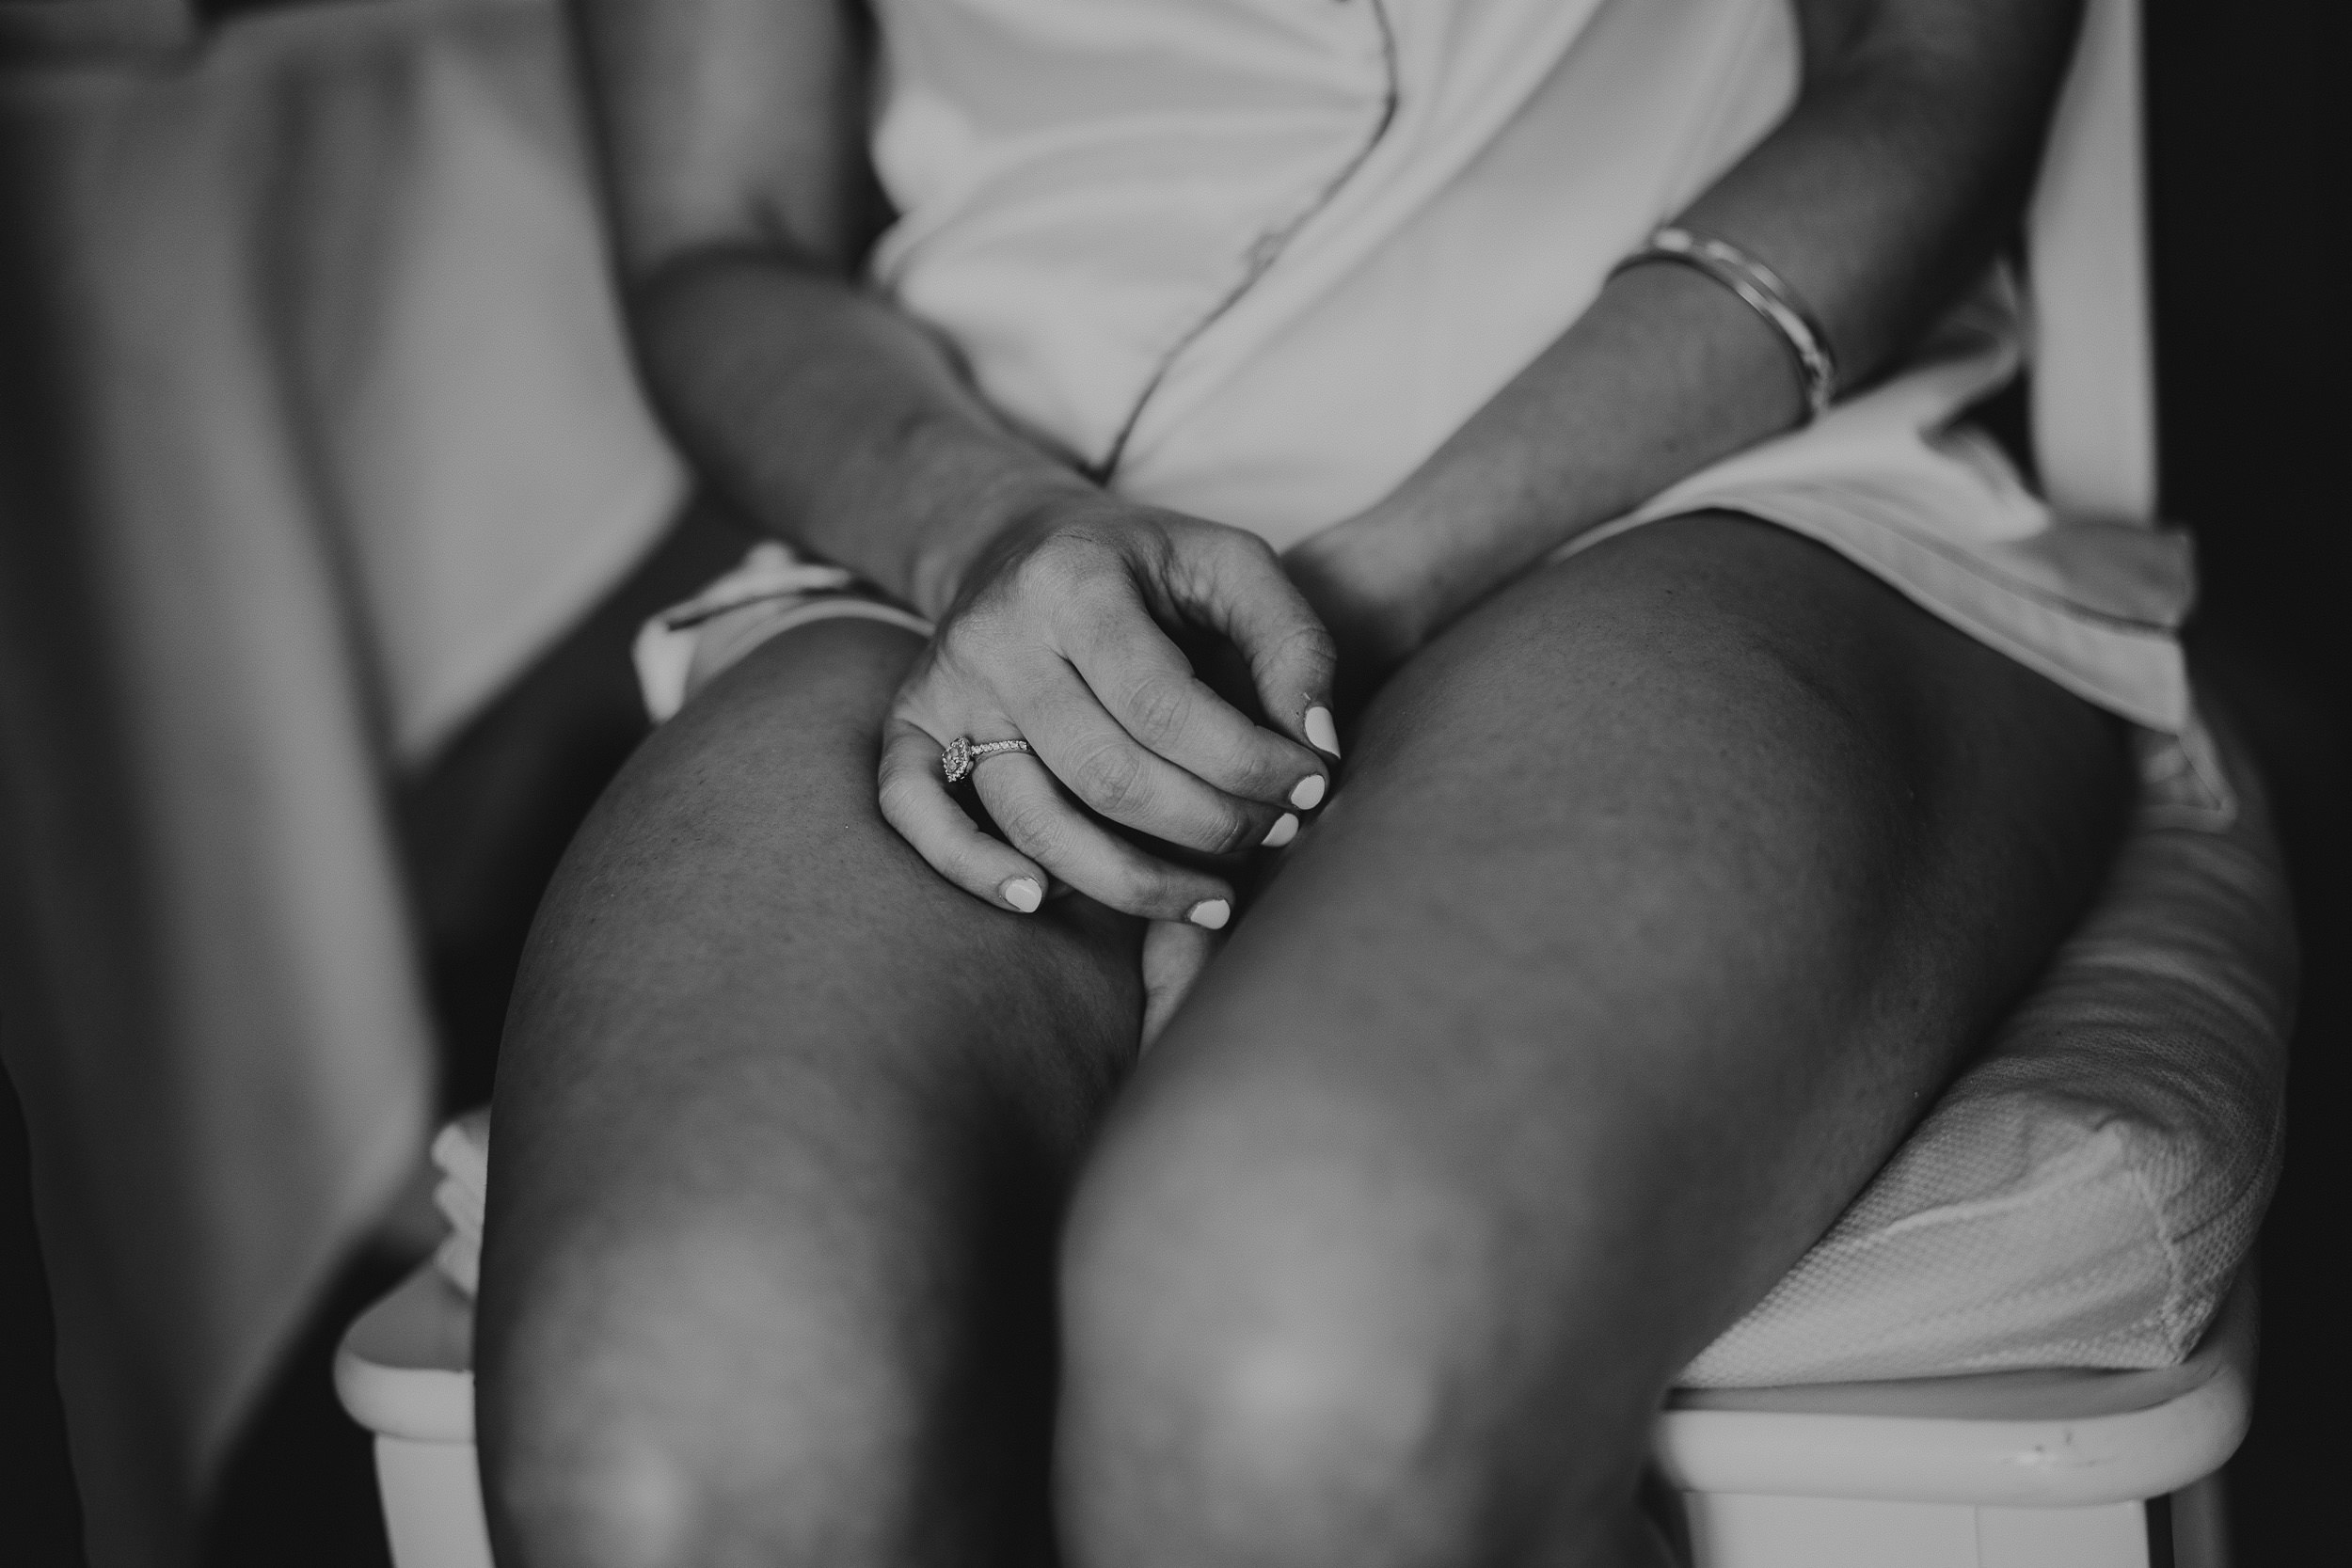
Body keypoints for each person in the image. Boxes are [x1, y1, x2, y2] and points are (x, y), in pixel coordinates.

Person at [473, 1, 2219, 1563]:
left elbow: (1934, 74)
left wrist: (1346, 605)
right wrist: (988, 532)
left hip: (1708, 476)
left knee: (1307, 1373)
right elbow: (724, 231)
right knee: (678, 1442)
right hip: (974, 535)